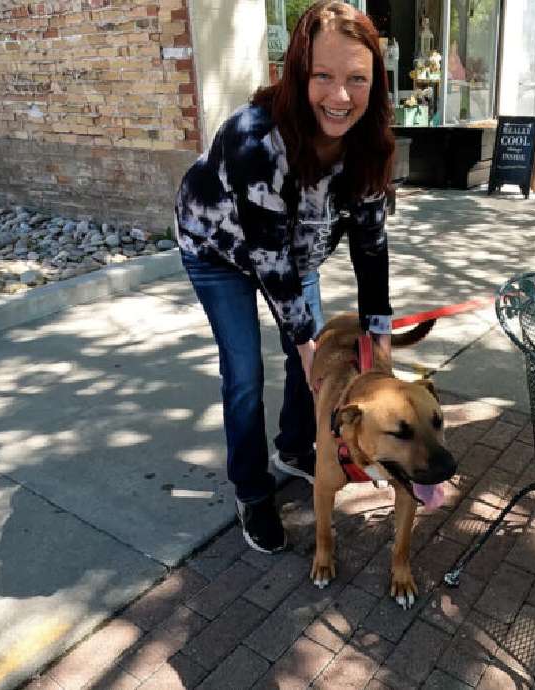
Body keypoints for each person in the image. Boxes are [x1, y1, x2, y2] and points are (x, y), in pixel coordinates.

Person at [173, 1, 396, 552]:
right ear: (297, 74)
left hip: (292, 257)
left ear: (375, 83)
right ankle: (251, 490)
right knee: (247, 369)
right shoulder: (256, 138)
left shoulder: (368, 142)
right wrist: (303, 340)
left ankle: (295, 446)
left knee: (313, 363)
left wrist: (379, 332)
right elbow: (266, 258)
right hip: (217, 250)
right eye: (323, 76)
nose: (340, 96)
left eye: (356, 79)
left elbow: (371, 246)